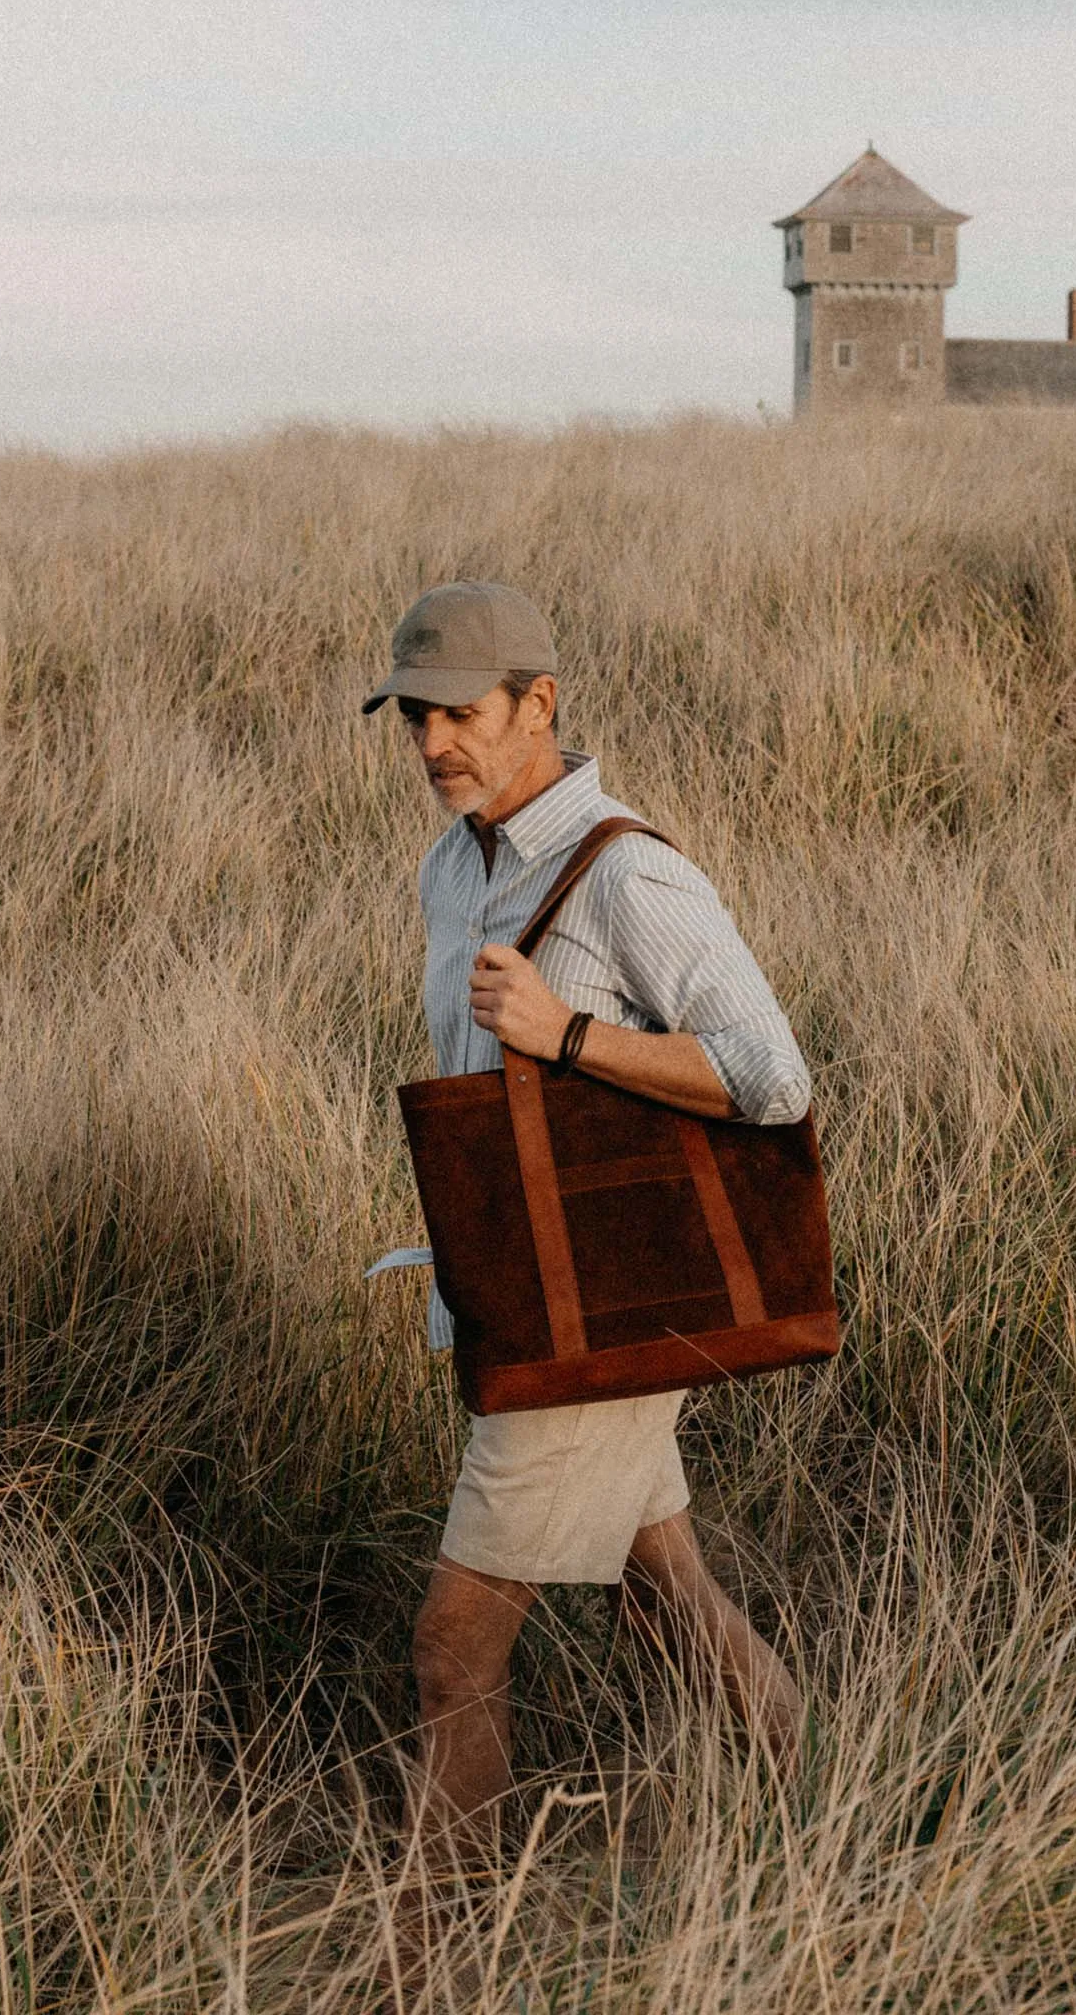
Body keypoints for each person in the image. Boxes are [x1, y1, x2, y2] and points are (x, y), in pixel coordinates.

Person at [363, 579, 809, 1853]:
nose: (432, 742)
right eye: (412, 716)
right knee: (667, 1595)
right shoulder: (451, 867)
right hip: (520, 1289)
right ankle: (820, 1816)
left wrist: (567, 1031)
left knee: (453, 1645)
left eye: (458, 712)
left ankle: (437, 1961)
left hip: (597, 1312)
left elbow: (772, 1075)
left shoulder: (625, 871)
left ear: (537, 703)